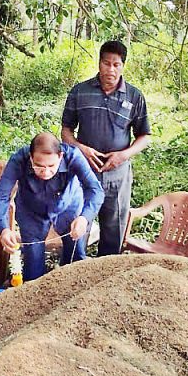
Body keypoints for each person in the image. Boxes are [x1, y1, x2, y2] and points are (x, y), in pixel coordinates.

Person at [61, 40, 150, 257]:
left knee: (113, 229)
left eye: (116, 64)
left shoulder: (134, 96)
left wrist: (123, 155)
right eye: (106, 63)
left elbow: (144, 136)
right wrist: (80, 148)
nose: (110, 69)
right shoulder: (80, 91)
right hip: (83, 171)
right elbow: (65, 130)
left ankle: (106, 279)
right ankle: (74, 271)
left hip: (117, 175)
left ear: (123, 66)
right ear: (99, 63)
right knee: (78, 224)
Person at [0, 132, 104, 282]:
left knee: (75, 253)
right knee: (33, 261)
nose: (46, 172)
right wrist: (4, 229)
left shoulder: (73, 156)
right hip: (31, 209)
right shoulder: (19, 159)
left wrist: (84, 218)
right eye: (39, 166)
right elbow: (0, 197)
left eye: (51, 166)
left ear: (60, 156)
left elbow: (95, 190)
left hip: (68, 205)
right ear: (30, 157)